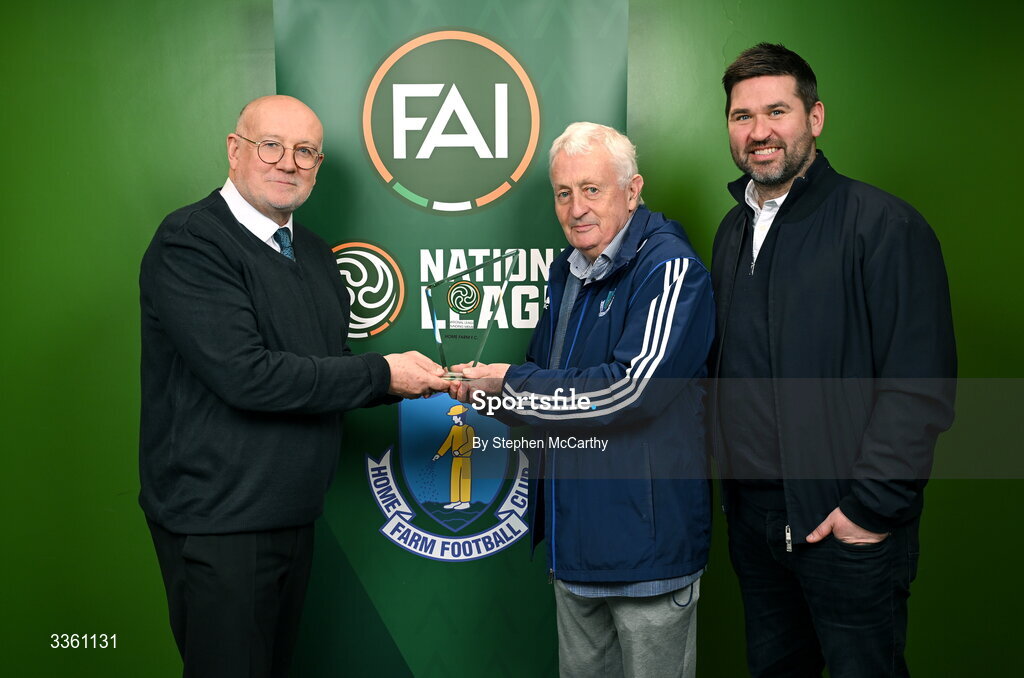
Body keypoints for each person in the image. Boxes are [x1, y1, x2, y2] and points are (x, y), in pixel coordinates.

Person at [139, 94, 448, 678]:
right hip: (220, 523)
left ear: (318, 164)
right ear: (235, 151)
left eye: (305, 151)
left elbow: (323, 368)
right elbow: (247, 376)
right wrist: (384, 371)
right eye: (271, 146)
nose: (288, 162)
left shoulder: (311, 252)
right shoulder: (191, 242)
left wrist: (414, 382)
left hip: (292, 512)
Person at [707, 43, 957, 677]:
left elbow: (920, 386)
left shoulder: (883, 226)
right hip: (758, 528)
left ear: (814, 117)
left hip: (847, 527)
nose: (759, 132)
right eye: (742, 116)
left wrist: (869, 511)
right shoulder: (732, 231)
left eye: (777, 111)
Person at [451, 122, 715, 678]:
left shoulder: (669, 267)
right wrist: (487, 397)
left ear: (633, 190)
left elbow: (631, 391)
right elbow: (550, 400)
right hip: (573, 548)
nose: (576, 208)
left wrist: (511, 383)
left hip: (647, 552)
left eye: (592, 189)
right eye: (564, 192)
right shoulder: (566, 271)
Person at [432, 404, 476, 510]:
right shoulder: (454, 428)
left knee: (464, 480)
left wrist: (460, 451)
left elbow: (471, 443)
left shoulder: (468, 429)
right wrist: (439, 454)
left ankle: (465, 502)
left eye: (454, 416)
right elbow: (448, 442)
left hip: (465, 459)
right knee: (454, 479)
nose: (452, 418)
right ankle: (455, 501)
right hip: (455, 459)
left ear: (460, 416)